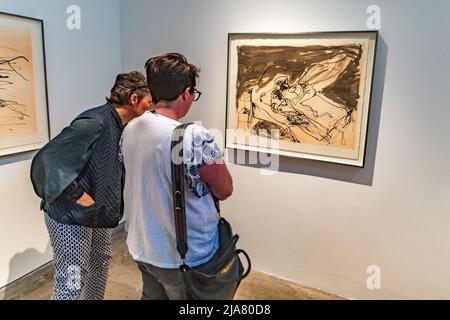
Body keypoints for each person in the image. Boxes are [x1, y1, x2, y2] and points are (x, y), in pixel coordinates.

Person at [30, 71, 152, 300]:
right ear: (134, 99)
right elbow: (47, 161)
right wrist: (77, 194)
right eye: (149, 101)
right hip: (71, 216)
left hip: (97, 215)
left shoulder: (122, 126)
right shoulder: (94, 122)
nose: (152, 107)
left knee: (100, 265)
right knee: (72, 279)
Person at [121, 53, 233, 300]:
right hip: (184, 254)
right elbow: (224, 189)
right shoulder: (194, 136)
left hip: (144, 247)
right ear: (186, 92)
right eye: (193, 93)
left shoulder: (131, 128)